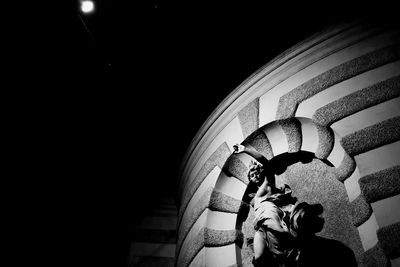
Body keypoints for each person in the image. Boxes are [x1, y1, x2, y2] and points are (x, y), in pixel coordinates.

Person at [233, 144, 299, 266]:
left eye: (256, 172)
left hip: (271, 219)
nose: (255, 176)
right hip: (260, 225)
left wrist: (246, 150)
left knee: (281, 254)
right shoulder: (254, 195)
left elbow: (267, 164)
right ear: (250, 180)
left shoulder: (267, 184)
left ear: (261, 172)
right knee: (259, 259)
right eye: (251, 175)